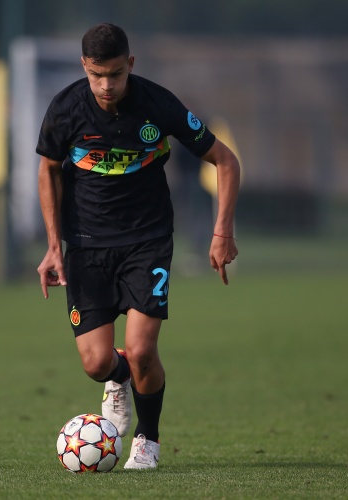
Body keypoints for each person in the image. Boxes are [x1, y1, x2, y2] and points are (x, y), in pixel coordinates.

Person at [36, 23, 240, 470]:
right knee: (96, 363)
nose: (106, 85)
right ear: (84, 67)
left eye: (115, 74)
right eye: (96, 75)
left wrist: (222, 231)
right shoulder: (65, 109)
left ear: (130, 64)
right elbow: (48, 169)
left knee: (144, 349)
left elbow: (225, 161)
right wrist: (53, 246)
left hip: (147, 241)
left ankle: (147, 438)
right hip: (86, 246)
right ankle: (119, 376)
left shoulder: (157, 104)